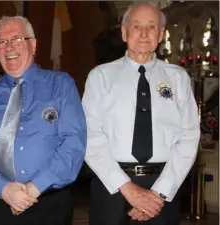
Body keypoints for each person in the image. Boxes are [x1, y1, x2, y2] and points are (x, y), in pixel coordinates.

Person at [0, 15, 86, 225]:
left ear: (33, 44)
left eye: (17, 39)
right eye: (2, 42)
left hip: (48, 207)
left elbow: (74, 144)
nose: (9, 47)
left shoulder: (61, 85)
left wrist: (33, 189)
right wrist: (3, 189)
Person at [82, 2, 200, 225]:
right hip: (112, 186)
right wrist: (128, 189)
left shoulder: (178, 78)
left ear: (161, 34)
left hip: (163, 189)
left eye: (151, 26)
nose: (144, 33)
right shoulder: (101, 77)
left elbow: (189, 137)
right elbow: (90, 135)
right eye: (137, 26)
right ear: (125, 32)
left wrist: (159, 193)